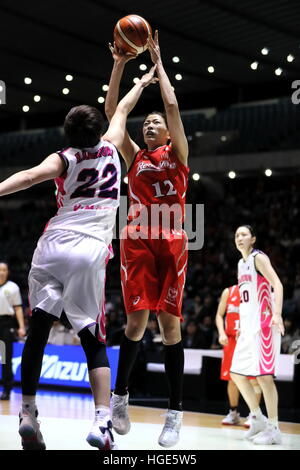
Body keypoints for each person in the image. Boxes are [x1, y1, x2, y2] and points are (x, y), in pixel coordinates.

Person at [0, 66, 158, 451]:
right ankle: (102, 422)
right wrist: (137, 79)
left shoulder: (63, 158)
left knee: (38, 332)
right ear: (97, 129)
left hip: (52, 245)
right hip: (88, 249)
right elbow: (121, 109)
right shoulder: (113, 143)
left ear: (68, 134)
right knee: (93, 338)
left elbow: (27, 177)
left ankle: (28, 412)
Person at [105, 31, 189, 448]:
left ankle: (174, 414)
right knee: (136, 322)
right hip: (137, 239)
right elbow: (112, 115)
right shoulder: (134, 156)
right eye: (147, 122)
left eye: (156, 122)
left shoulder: (178, 155)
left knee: (169, 326)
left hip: (173, 240)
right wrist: (121, 65)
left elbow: (171, 104)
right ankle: (120, 398)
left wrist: (158, 61)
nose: (150, 123)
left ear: (168, 133)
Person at [230, 225, 284, 445]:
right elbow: (247, 298)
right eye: (236, 235)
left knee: (264, 377)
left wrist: (278, 314)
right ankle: (258, 417)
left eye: (244, 234)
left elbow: (277, 284)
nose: (239, 238)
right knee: (237, 373)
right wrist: (242, 323)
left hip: (264, 326)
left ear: (253, 239)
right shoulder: (240, 264)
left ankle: (274, 428)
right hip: (248, 328)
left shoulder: (257, 258)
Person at [215, 284, 263, 426]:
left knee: (253, 379)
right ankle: (233, 413)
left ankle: (254, 415)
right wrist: (221, 333)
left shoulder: (257, 290)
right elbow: (219, 315)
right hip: (231, 340)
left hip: (250, 340)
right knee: (232, 379)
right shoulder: (228, 291)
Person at [0, 262, 26, 400]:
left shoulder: (12, 287)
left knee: (5, 359)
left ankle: (7, 389)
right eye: (0, 270)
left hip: (5, 324)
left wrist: (21, 326)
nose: (2, 272)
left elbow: (18, 308)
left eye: (4, 270)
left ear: (7, 272)